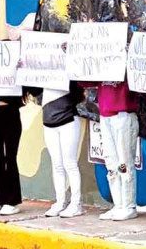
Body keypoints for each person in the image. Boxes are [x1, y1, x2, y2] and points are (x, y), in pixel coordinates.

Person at [94, 80, 140, 221]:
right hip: (105, 114)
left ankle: (129, 205)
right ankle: (118, 204)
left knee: (124, 162)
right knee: (111, 162)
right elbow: (84, 80)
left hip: (123, 113)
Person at [42, 82, 86, 218]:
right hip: (48, 122)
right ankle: (60, 201)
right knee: (57, 165)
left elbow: (78, 93)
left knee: (70, 164)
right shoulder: (42, 75)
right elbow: (33, 89)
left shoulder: (68, 76)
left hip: (68, 120)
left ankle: (76, 203)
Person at [0, 93, 26, 216]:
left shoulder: (19, 75)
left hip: (11, 114)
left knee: (10, 158)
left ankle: (12, 201)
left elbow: (33, 90)